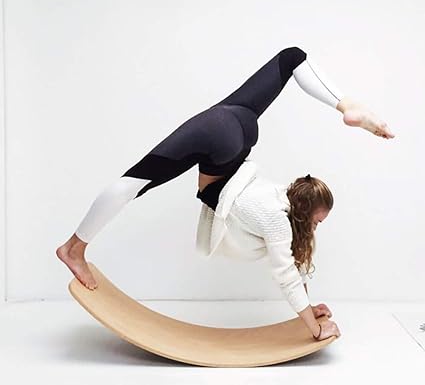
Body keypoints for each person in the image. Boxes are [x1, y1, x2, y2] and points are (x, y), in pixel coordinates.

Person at [56, 46, 394, 341]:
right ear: (305, 213)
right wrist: (313, 326)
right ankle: (73, 249)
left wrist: (306, 309)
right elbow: (288, 277)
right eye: (318, 222)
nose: (317, 227)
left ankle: (346, 105)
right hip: (225, 140)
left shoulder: (284, 195)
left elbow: (294, 264)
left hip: (235, 119)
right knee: (132, 183)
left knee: (292, 57)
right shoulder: (278, 222)